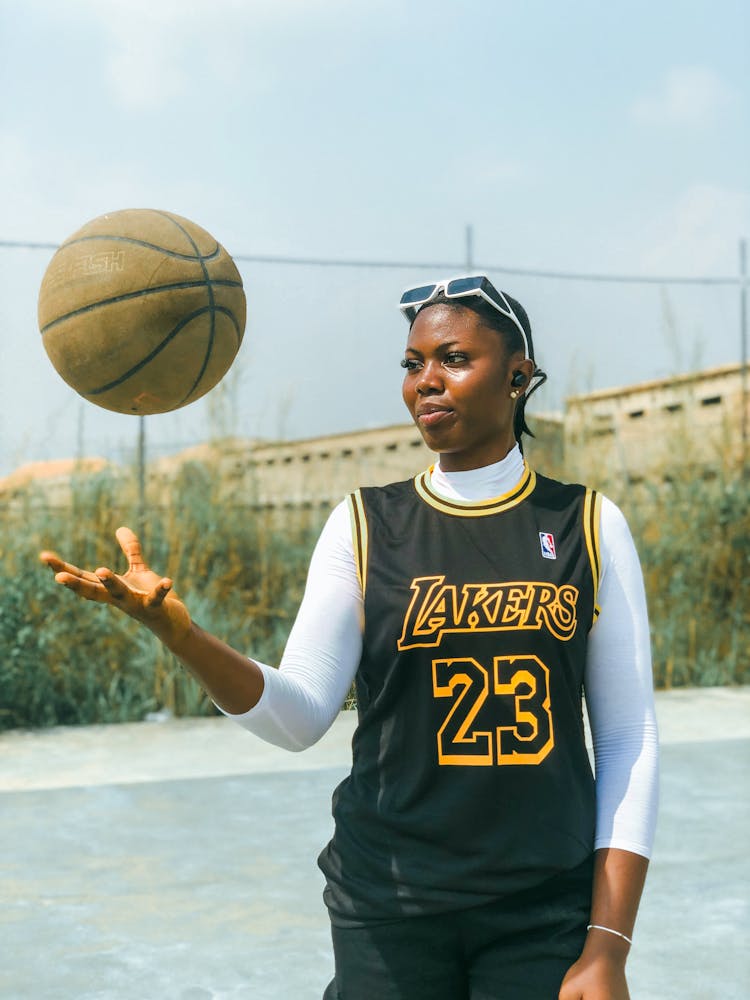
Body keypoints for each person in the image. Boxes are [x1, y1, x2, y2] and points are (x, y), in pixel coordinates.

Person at [41, 275, 659, 1000]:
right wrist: (181, 634)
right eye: (412, 364)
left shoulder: (586, 523)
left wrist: (608, 944)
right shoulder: (368, 525)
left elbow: (628, 740)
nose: (426, 381)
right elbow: (301, 715)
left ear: (519, 374)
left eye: (454, 359)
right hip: (390, 905)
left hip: (540, 907)